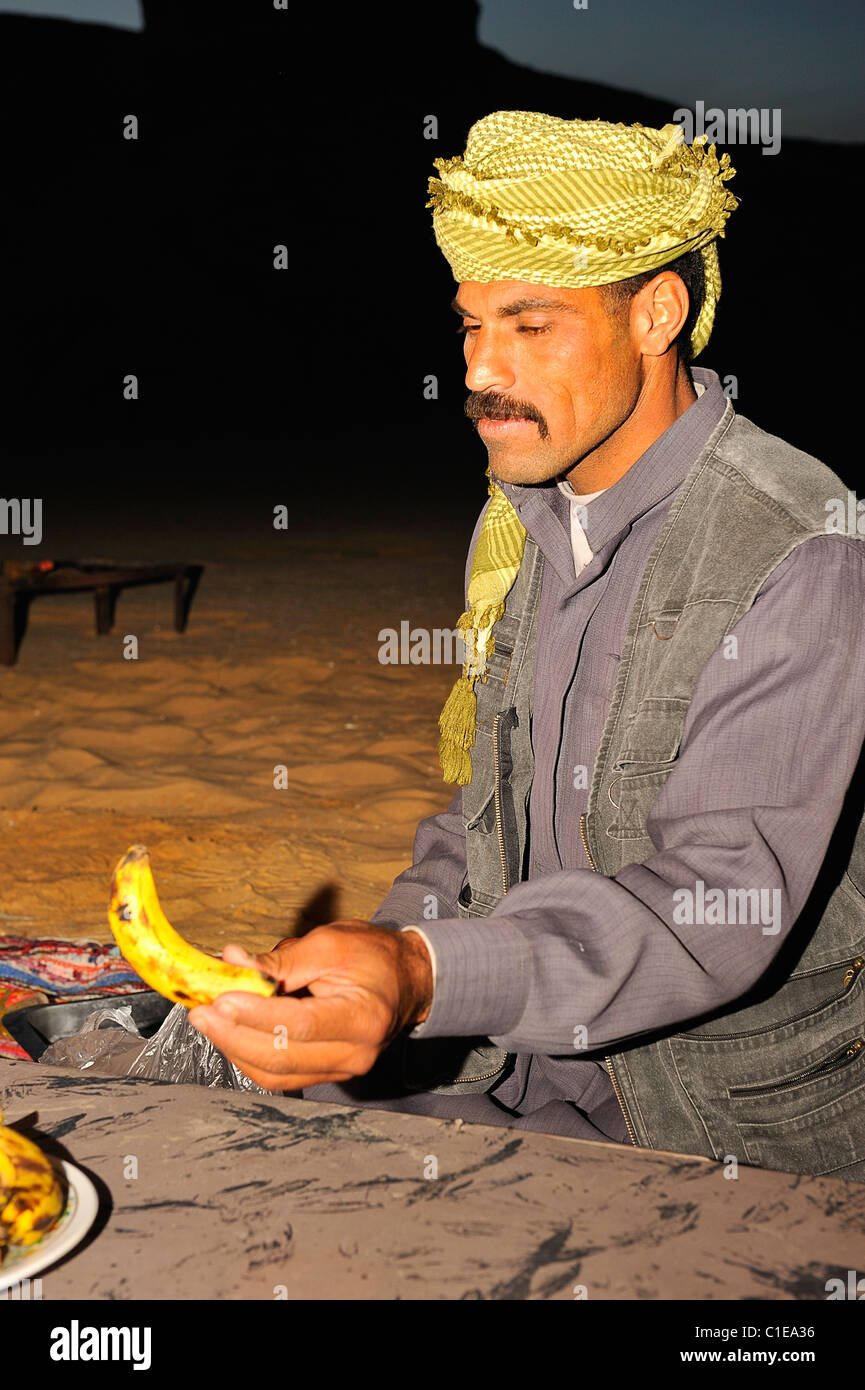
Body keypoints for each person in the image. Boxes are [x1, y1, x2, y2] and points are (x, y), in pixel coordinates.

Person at [189, 112, 865, 1180]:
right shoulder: (527, 519)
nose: (480, 371)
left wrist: (422, 977)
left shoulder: (800, 548)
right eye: (467, 325)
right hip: (515, 1060)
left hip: (703, 1126)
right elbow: (479, 824)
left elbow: (716, 901)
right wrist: (371, 964)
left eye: (528, 324)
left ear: (655, 312)